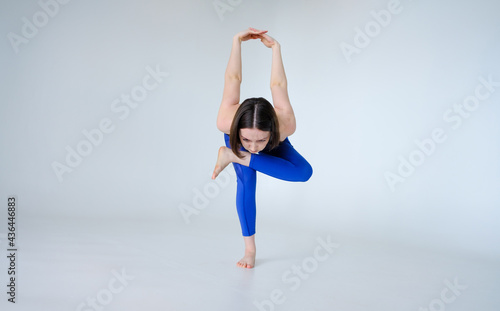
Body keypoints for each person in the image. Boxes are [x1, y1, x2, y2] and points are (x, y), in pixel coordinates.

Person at [211, 27, 313, 269]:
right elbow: (232, 79)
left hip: (260, 146)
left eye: (260, 141)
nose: (254, 147)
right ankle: (250, 249)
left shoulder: (285, 123)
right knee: (247, 184)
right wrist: (236, 41)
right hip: (233, 142)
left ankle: (234, 157)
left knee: (304, 172)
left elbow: (278, 84)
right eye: (248, 141)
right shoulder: (226, 120)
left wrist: (276, 48)